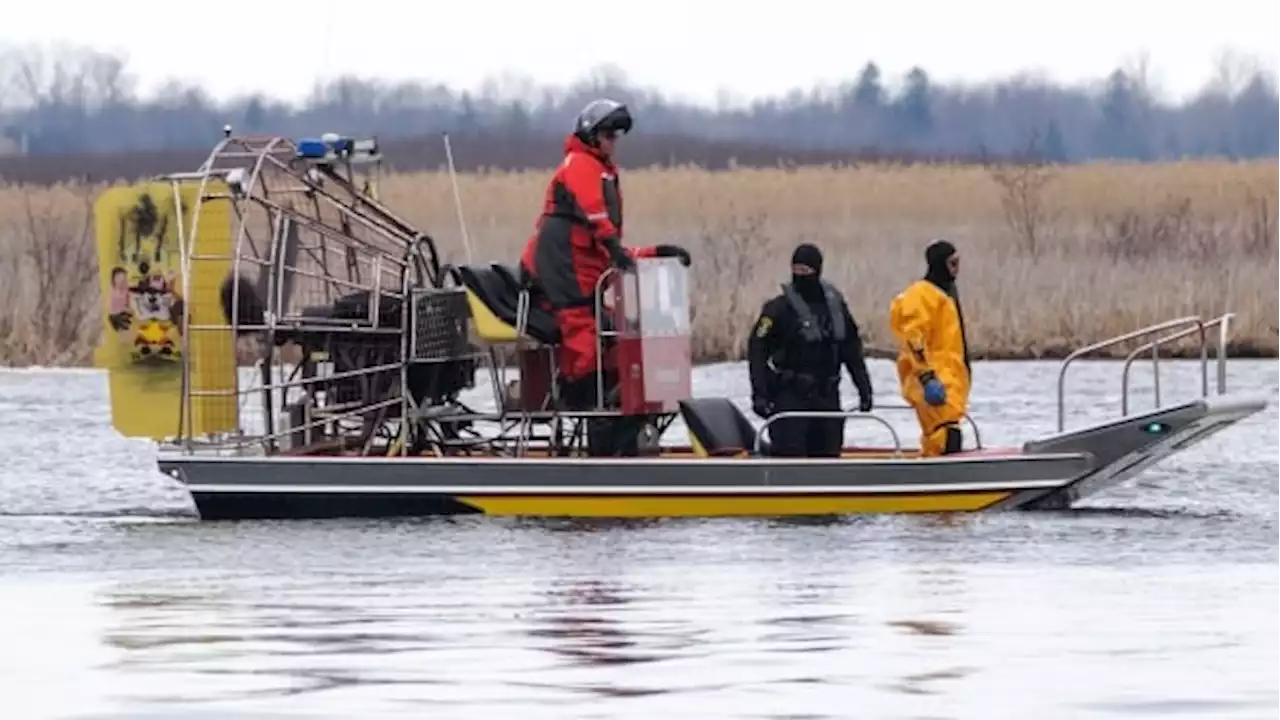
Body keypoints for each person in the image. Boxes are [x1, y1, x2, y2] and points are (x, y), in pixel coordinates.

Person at [519, 98, 691, 455]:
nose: (615, 141)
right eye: (609, 134)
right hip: (564, 276)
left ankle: (615, 425)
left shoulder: (601, 171)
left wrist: (657, 252)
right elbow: (598, 221)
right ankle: (584, 406)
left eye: (617, 135)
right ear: (592, 135)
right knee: (583, 342)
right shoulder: (580, 165)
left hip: (585, 276)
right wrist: (613, 247)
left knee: (613, 345)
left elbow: (612, 247)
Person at [747, 243, 874, 458]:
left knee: (829, 456)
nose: (800, 275)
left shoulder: (836, 308)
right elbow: (757, 351)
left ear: (818, 271)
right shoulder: (777, 309)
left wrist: (864, 388)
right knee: (790, 457)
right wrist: (759, 394)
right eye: (796, 270)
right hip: (791, 397)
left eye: (805, 271)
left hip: (828, 397)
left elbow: (851, 350)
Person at [888, 239, 971, 457]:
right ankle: (938, 481)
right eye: (952, 263)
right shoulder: (921, 296)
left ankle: (938, 477)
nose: (957, 269)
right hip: (933, 382)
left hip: (949, 381)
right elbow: (913, 338)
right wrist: (927, 377)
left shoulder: (944, 296)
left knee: (947, 434)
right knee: (942, 435)